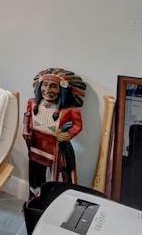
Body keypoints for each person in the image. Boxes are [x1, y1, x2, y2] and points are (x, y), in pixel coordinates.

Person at [22, 67, 86, 199]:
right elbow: (27, 118)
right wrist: (26, 131)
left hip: (57, 150)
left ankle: (56, 203)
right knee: (35, 177)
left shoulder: (69, 111)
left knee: (59, 179)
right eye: (45, 85)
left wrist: (68, 134)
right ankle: (35, 201)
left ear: (62, 89)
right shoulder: (32, 103)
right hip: (36, 148)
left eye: (53, 86)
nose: (47, 90)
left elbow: (77, 125)